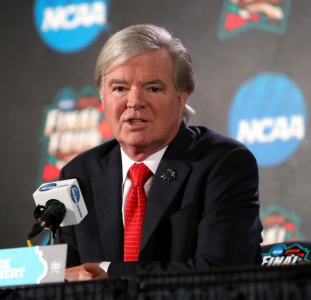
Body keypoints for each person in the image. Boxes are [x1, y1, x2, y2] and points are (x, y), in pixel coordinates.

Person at [58, 24, 263, 281]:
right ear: (102, 98)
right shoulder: (79, 175)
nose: (134, 102)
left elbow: (220, 272)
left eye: (153, 88)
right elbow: (58, 277)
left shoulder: (223, 164)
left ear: (181, 97)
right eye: (119, 88)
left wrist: (109, 272)